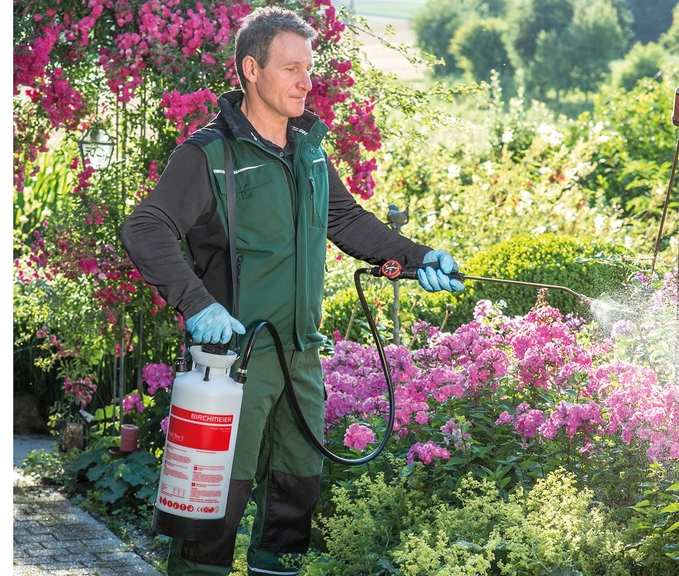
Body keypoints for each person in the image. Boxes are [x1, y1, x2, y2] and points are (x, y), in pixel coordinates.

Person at [120, 6, 463, 576]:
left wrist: (418, 257)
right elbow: (145, 228)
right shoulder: (210, 155)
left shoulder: (309, 151)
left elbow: (347, 221)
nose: (308, 81)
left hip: (300, 359)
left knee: (293, 503)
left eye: (310, 67)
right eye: (292, 68)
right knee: (211, 513)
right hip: (230, 367)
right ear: (251, 70)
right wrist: (198, 304)